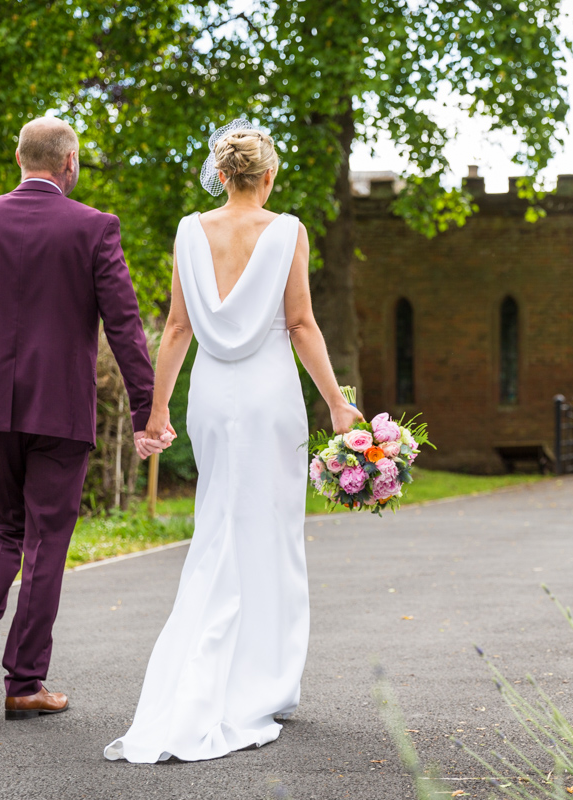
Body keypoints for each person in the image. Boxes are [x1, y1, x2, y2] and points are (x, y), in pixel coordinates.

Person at [104, 120, 362, 763]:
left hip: (212, 400)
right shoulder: (288, 231)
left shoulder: (190, 231)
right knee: (272, 532)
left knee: (219, 523)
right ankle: (269, 681)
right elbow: (300, 324)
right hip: (272, 398)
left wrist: (155, 410)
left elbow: (174, 329)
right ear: (267, 176)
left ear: (222, 175)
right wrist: (337, 402)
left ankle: (222, 665)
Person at [0, 117, 165, 720]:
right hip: (60, 410)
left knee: (2, 527)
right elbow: (125, 326)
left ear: (18, 157)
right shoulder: (94, 228)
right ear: (70, 163)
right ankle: (25, 682)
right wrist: (146, 411)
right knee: (47, 542)